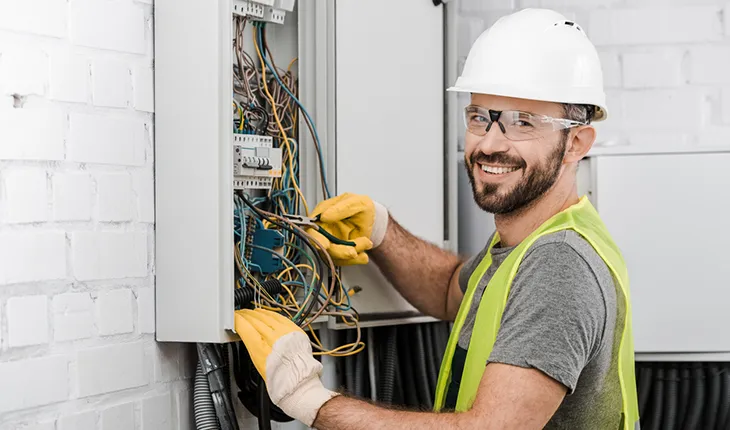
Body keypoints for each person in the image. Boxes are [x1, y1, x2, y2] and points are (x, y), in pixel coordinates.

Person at [235, 8, 640, 430]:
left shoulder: (559, 264)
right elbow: (451, 292)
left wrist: (310, 400)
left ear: (576, 142)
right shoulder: (525, 243)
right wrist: (382, 231)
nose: (490, 143)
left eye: (523, 122)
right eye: (480, 117)